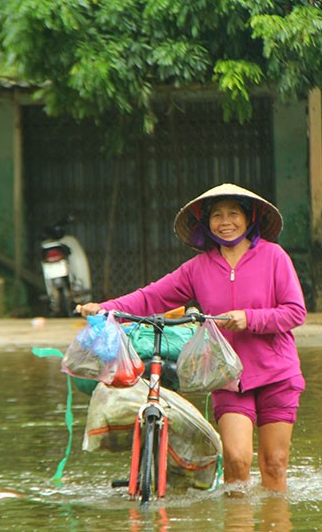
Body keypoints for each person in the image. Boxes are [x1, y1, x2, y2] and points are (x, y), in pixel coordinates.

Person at [76, 182, 307, 492]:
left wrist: (249, 319)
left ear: (250, 218)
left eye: (233, 214)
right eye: (217, 216)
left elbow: (295, 312)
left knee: (275, 464)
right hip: (227, 376)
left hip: (277, 374)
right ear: (206, 223)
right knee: (237, 461)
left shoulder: (274, 257)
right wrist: (105, 309)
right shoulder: (197, 268)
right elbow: (150, 297)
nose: (226, 222)